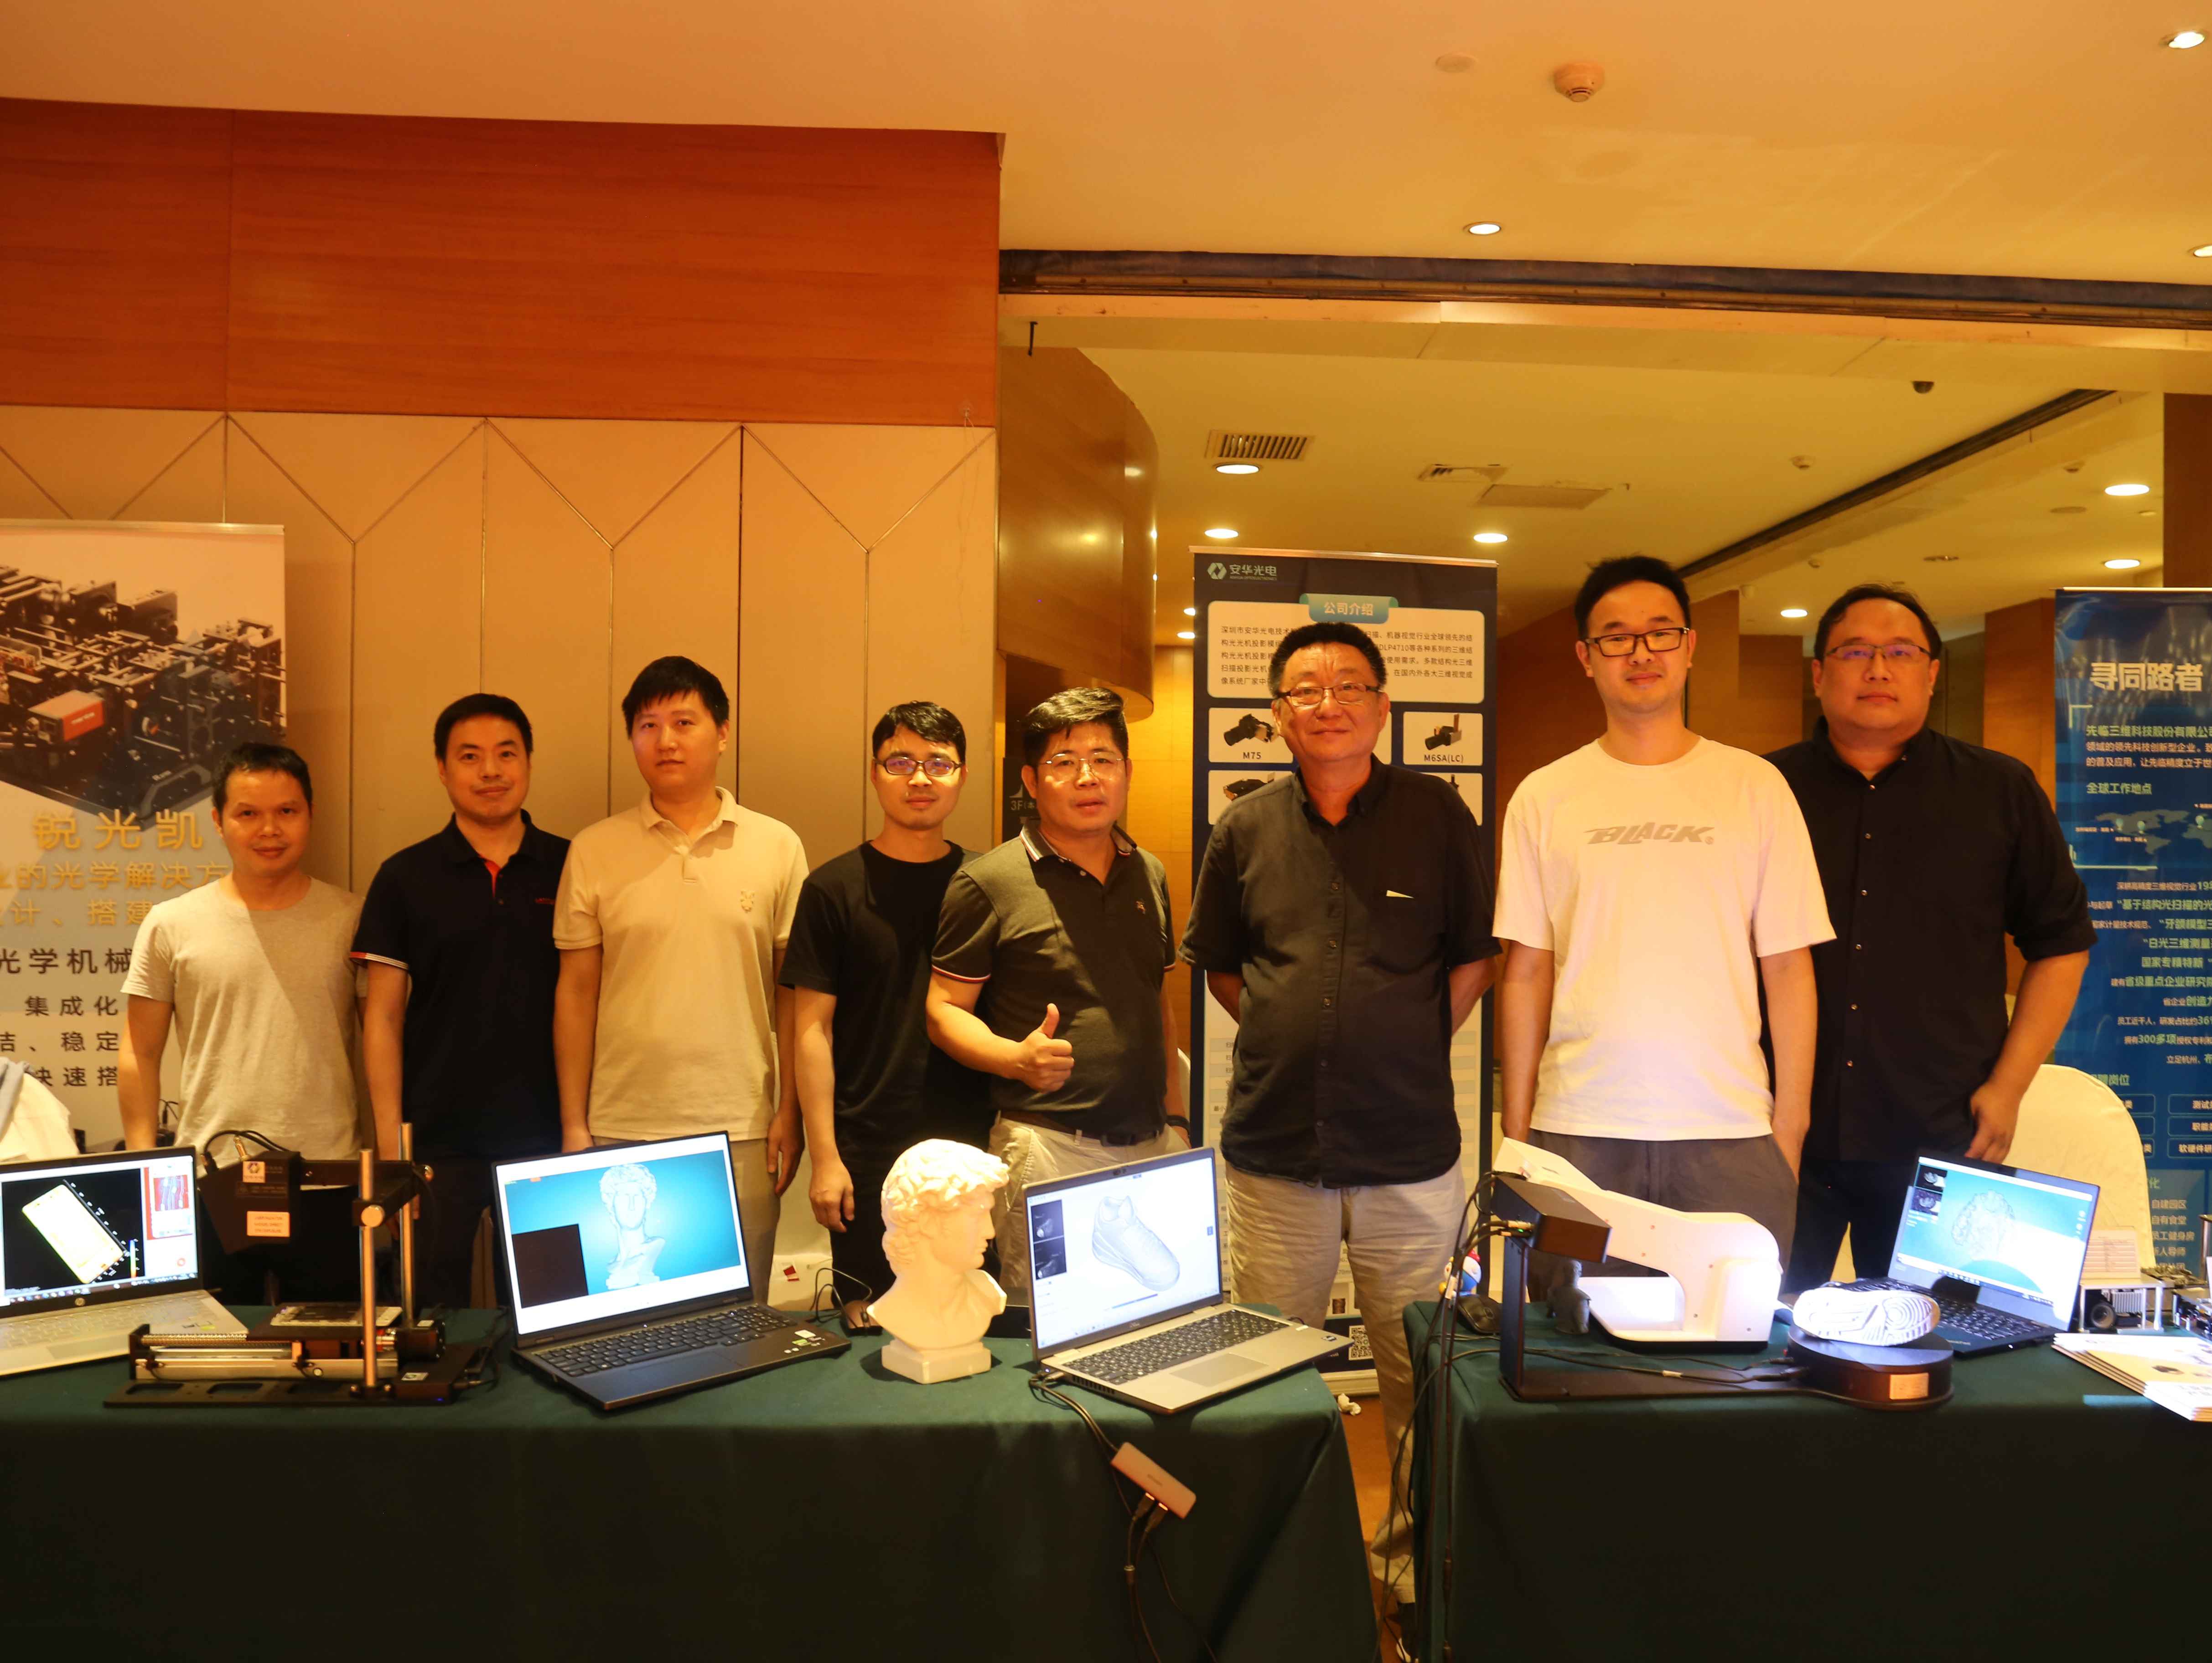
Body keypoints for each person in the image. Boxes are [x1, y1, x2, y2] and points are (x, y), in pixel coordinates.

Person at [1183, 620, 1500, 1622]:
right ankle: (1272, 1577)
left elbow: (1473, 957)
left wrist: (1403, 1039)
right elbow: (1221, 967)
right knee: (1264, 1374)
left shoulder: (1437, 814)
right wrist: (1294, 1034)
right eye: (1306, 690)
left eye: (1350, 686)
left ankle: (1411, 1571)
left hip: (1410, 1154)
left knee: (1421, 1375)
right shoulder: (1243, 827)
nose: (1329, 704)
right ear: (1277, 714)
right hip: (1275, 1153)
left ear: (1383, 706)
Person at [1495, 556, 1832, 1262]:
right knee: (1573, 1330)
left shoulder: (1754, 787)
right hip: (1577, 1130)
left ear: (1689, 647)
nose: (1640, 652)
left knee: (1732, 1332)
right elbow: (1525, 972)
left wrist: (1790, 1128)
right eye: (1615, 637)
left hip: (1730, 1132)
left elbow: (1788, 968)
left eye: (1659, 632)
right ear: (1586, 658)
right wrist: (1518, 1132)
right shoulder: (1544, 796)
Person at [1768, 584, 2094, 1292]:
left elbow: (2061, 945)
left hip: (1939, 1133)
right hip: (1777, 1132)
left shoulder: (1998, 790)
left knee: (1933, 1341)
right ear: (1818, 673)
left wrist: (2007, 1088)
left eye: (1899, 652)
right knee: (1755, 1337)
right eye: (1853, 652)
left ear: (1931, 673)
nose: (1876, 669)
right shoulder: (1760, 790)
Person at [552, 656, 808, 1289]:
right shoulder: (593, 849)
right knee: (623, 1311)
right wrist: (575, 1125)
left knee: (739, 1313)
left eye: (684, 722)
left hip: (741, 1125)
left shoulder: (777, 846)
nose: (665, 740)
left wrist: (789, 1111)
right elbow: (576, 993)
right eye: (648, 725)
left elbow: (792, 995)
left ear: (722, 732)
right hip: (618, 1126)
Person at [926, 687, 1186, 1303]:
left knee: (1155, 1313)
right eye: (1064, 762)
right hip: (1048, 1146)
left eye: (1103, 759)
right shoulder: (988, 881)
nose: (1087, 777)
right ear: (1031, 780)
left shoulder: (1148, 871)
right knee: (1050, 1324)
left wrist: (1176, 1119)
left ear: (1127, 771)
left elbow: (1156, 1000)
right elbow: (942, 1011)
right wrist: (1014, 1059)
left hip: (1150, 1142)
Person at [119, 742, 363, 1297]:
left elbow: (384, 1042)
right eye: (248, 813)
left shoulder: (352, 919)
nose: (269, 829)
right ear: (218, 821)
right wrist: (146, 1166)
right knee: (215, 1342)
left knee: (333, 1342)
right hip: (212, 1178)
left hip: (329, 1176)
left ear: (310, 814)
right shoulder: (171, 923)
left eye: (287, 811)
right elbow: (139, 1050)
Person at [353, 693, 569, 1311]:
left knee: (547, 1315)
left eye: (506, 754)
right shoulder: (404, 877)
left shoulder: (571, 866)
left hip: (547, 1136)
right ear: (443, 769)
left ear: (529, 763)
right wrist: (393, 1150)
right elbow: (382, 1018)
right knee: (430, 1317)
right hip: (436, 1144)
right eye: (470, 757)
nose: (490, 771)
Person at [780, 701, 992, 1325]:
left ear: (962, 775)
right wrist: (825, 1156)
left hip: (969, 1142)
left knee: (970, 1316)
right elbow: (811, 1029)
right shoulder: (832, 889)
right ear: (874, 774)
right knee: (870, 1321)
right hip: (866, 1144)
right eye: (900, 762)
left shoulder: (986, 883)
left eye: (937, 763)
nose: (919, 778)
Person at [868, 1138, 1011, 1354]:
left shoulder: (988, 1295)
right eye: (977, 1216)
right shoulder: (891, 1312)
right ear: (928, 1222)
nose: (990, 1232)